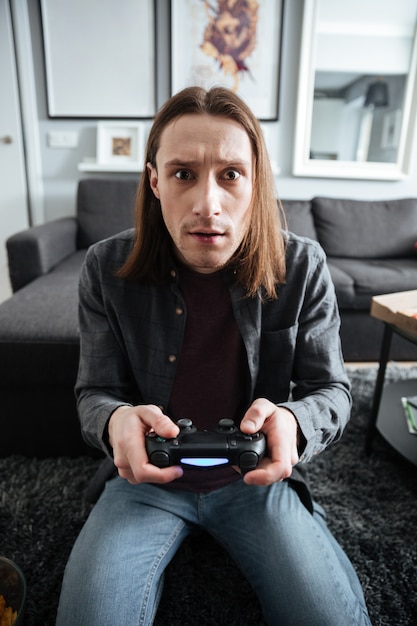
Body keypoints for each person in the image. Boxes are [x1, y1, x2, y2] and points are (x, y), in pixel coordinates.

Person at [56, 86, 371, 626]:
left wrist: (294, 422)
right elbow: (94, 392)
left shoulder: (303, 266)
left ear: (255, 182)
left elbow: (334, 391)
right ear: (155, 181)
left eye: (230, 174)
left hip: (255, 484)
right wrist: (116, 420)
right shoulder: (104, 269)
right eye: (183, 174)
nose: (208, 204)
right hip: (145, 482)